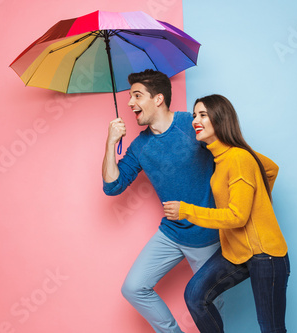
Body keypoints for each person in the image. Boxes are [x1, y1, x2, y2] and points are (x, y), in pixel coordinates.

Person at [102, 70, 220, 333]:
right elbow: (112, 186)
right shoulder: (140, 146)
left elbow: (228, 157)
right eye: (130, 96)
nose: (130, 103)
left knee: (210, 305)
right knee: (133, 288)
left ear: (158, 99)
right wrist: (111, 143)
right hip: (171, 232)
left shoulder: (192, 125)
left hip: (206, 235)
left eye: (137, 95)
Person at [163, 94, 290, 333]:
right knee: (195, 295)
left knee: (271, 329)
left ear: (220, 119)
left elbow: (237, 217)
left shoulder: (237, 158)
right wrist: (256, 199)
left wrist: (186, 210)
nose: (195, 121)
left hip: (265, 256)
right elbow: (270, 169)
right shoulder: (226, 156)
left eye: (202, 115)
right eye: (194, 115)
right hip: (237, 252)